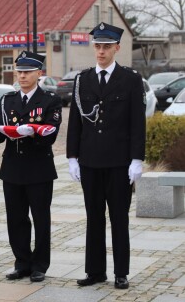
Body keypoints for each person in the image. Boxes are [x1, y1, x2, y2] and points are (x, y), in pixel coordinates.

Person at [67, 22, 146, 290]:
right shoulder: (83, 79)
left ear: (117, 48)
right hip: (90, 161)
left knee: (119, 219)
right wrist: (72, 157)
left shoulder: (131, 79)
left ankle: (121, 272)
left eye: (106, 47)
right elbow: (76, 121)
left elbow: (137, 123)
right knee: (94, 217)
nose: (100, 51)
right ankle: (95, 271)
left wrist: (137, 159)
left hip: (119, 162)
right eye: (97, 46)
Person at [0, 51, 62, 282]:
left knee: (40, 218)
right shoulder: (8, 100)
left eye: (27, 72)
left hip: (39, 169)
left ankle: (40, 265)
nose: (22, 76)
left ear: (39, 73)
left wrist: (32, 132)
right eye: (20, 72)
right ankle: (21, 262)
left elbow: (50, 136)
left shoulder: (50, 100)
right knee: (16, 219)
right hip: (13, 168)